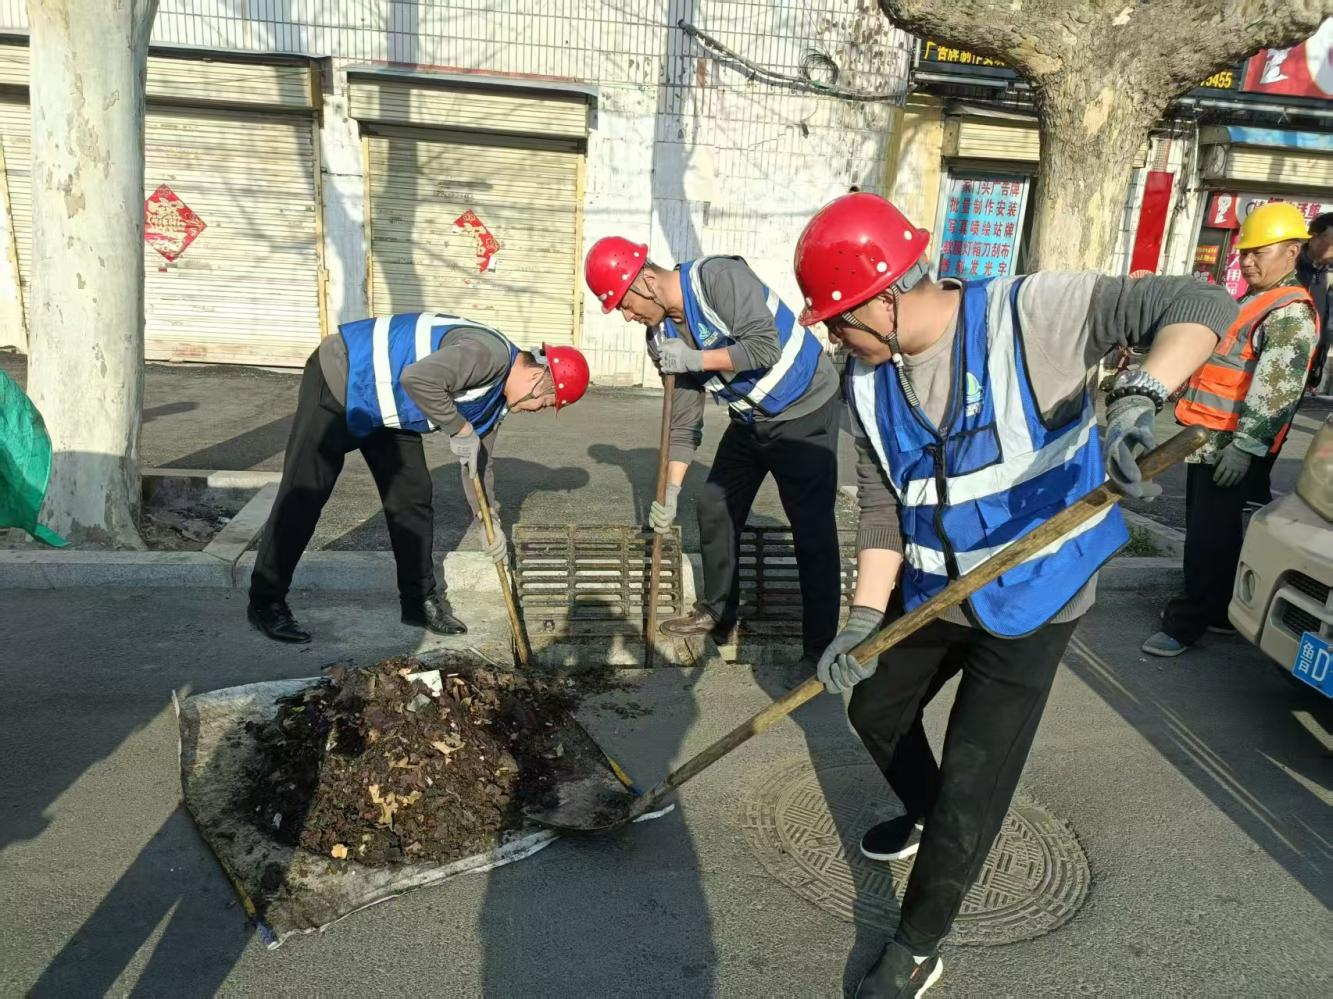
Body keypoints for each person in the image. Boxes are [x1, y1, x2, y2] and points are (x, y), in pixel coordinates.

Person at [793, 193, 1232, 998]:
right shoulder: (862, 378)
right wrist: (861, 620)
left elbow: (1200, 301)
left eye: (837, 320)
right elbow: (880, 502)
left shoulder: (1028, 315)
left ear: (885, 296)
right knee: (872, 706)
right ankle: (928, 818)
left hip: (1038, 590)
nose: (832, 337)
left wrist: (1140, 394)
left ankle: (918, 943)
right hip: (936, 587)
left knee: (976, 771)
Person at [247, 313, 590, 644]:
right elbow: (418, 378)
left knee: (412, 498)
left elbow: (478, 462)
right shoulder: (488, 356)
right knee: (306, 492)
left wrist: (490, 522)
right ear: (534, 379)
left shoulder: (498, 397)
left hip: (387, 403)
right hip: (344, 374)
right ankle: (266, 602)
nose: (536, 411)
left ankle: (418, 602)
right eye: (544, 404)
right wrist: (458, 427)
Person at [583, 237, 842, 670]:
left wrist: (696, 359)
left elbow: (764, 347)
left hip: (804, 407)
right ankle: (720, 611)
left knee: (810, 526)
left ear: (647, 279)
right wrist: (669, 493)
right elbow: (683, 421)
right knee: (713, 504)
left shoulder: (719, 278)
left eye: (625, 304)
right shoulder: (660, 335)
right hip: (750, 418)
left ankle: (819, 648)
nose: (627, 316)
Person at [1144, 202, 1321, 657]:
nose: (1247, 260)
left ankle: (1186, 625)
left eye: (1260, 251)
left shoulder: (1289, 314)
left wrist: (1245, 447)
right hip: (1208, 441)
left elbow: (1278, 388)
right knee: (1211, 533)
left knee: (1210, 539)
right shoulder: (1255, 300)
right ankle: (1221, 613)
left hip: (1233, 448)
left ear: (1293, 251)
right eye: (1245, 252)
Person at [1297, 210, 1333, 397]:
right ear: (1314, 238)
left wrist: (1318, 363)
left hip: (1307, 365)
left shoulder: (1325, 273)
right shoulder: (1290, 266)